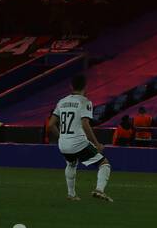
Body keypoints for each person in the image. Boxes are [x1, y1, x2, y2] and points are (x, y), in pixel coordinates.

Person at [47, 73, 113, 201]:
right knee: (104, 164)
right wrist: (97, 143)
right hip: (78, 142)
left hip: (63, 144)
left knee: (71, 164)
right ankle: (99, 190)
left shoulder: (62, 102)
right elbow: (85, 123)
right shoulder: (85, 102)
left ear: (71, 86)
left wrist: (61, 137)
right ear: (86, 86)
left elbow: (50, 125)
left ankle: (71, 194)